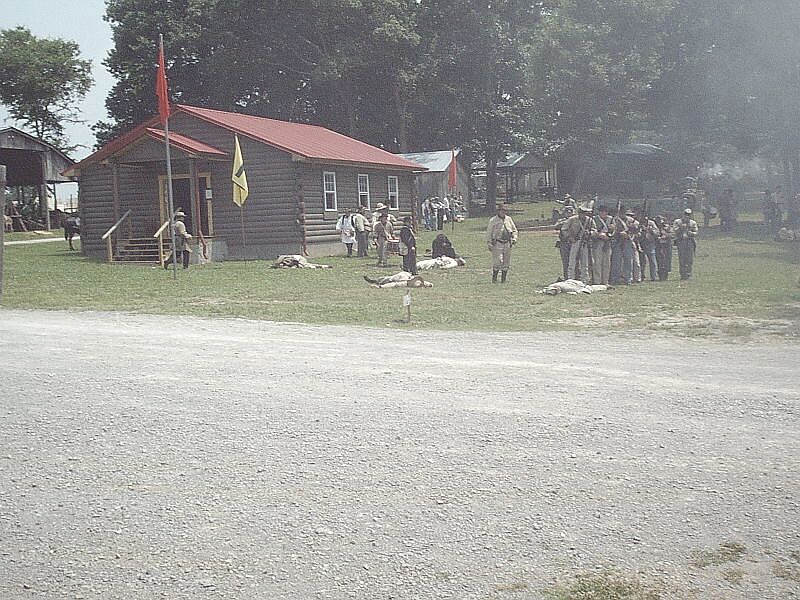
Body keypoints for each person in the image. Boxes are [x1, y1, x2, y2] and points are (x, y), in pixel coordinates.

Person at [485, 203, 518, 283]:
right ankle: (494, 279)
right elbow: (489, 232)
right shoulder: (493, 220)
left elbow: (514, 230)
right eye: (501, 210)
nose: (503, 212)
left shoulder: (509, 219)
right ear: (498, 211)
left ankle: (503, 280)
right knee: (497, 262)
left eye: (504, 210)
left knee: (506, 262)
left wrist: (514, 238)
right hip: (497, 243)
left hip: (507, 243)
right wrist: (489, 243)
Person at [563, 205, 595, 282]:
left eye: (584, 213)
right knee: (572, 261)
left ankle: (585, 280)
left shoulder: (590, 220)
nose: (583, 214)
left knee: (585, 262)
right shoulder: (572, 219)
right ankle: (570, 279)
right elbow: (564, 229)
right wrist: (570, 238)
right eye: (582, 212)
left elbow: (595, 230)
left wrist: (590, 233)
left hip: (585, 242)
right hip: (575, 241)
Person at [672, 208, 699, 280]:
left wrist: (691, 233)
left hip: (690, 241)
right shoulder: (677, 221)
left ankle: (688, 273)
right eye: (686, 214)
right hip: (681, 241)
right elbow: (675, 230)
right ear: (683, 214)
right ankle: (683, 274)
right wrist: (681, 228)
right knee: (682, 258)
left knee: (689, 258)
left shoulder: (693, 222)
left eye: (689, 215)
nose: (687, 216)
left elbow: (696, 232)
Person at [590, 205, 613, 285]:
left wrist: (611, 232)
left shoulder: (610, 219)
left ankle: (605, 281)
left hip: (607, 242)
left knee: (606, 263)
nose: (604, 213)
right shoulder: (594, 219)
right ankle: (597, 281)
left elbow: (614, 230)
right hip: (597, 242)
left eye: (605, 212)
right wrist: (599, 235)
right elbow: (592, 230)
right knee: (597, 263)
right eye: (602, 211)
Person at [554, 205, 575, 281]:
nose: (569, 213)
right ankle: (566, 277)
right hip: (564, 243)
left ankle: (576, 276)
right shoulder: (562, 220)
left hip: (574, 243)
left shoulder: (576, 220)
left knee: (575, 261)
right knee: (565, 261)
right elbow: (556, 227)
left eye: (570, 212)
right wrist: (566, 222)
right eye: (567, 212)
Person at [640, 213, 659, 281]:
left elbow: (657, 233)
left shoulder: (651, 223)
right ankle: (642, 276)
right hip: (641, 243)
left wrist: (651, 231)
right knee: (642, 261)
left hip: (650, 243)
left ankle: (654, 276)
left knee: (652, 261)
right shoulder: (639, 223)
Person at [655, 215, 672, 281]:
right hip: (658, 246)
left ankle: (665, 275)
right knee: (659, 261)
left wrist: (665, 235)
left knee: (666, 260)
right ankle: (660, 275)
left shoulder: (667, 227)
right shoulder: (655, 227)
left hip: (666, 246)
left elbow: (671, 234)